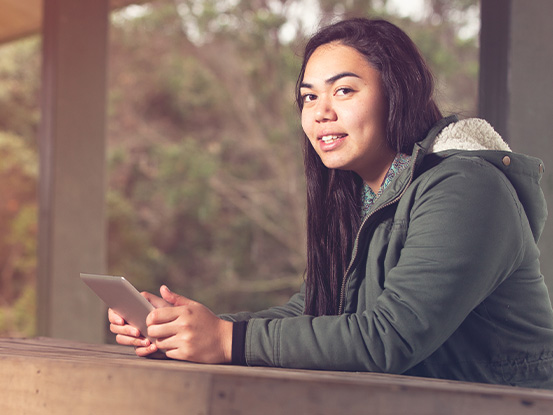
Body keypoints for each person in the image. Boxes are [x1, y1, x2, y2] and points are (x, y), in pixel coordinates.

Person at [108, 17, 553, 389]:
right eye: (309, 97)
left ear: (397, 94)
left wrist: (227, 340)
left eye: (344, 91)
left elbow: (388, 338)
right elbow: (315, 311)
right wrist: (184, 328)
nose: (321, 111)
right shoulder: (362, 196)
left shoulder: (465, 187)